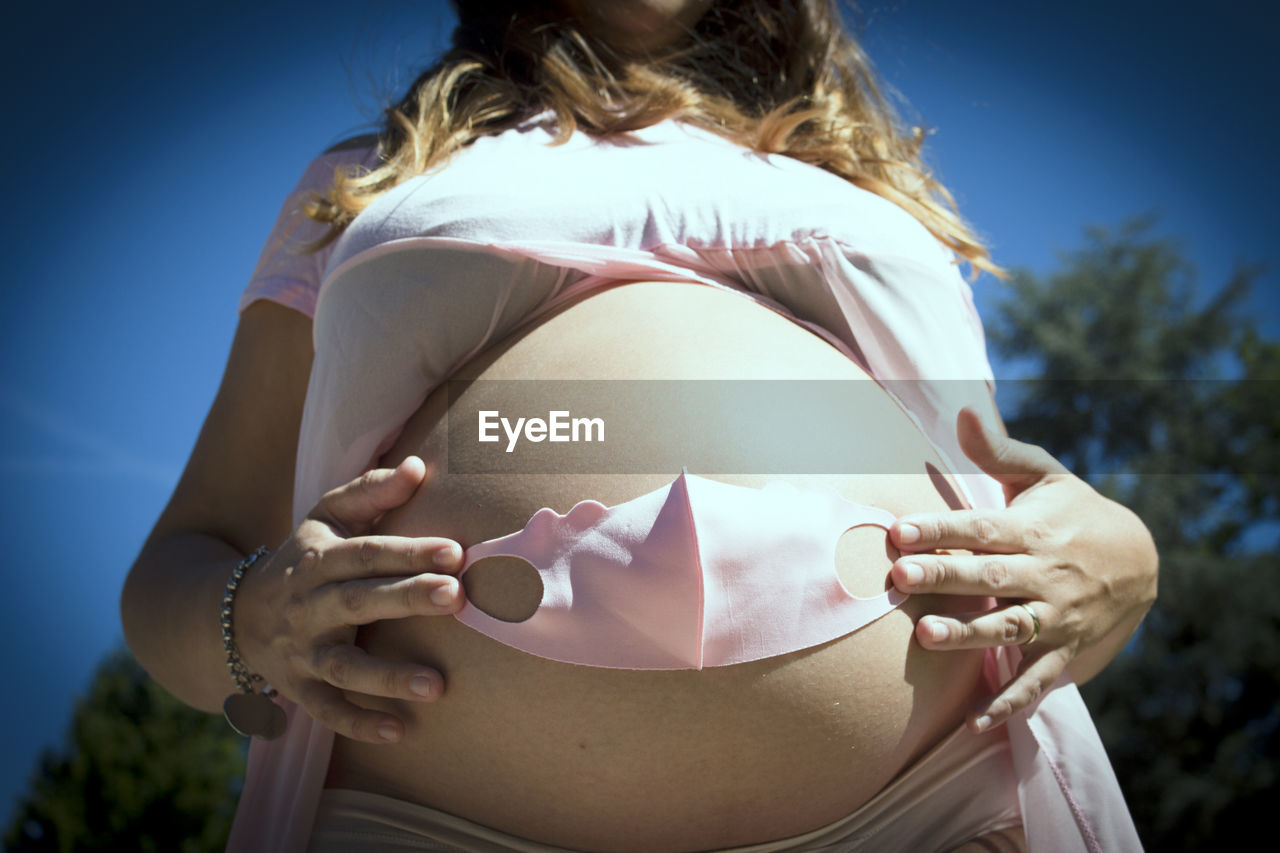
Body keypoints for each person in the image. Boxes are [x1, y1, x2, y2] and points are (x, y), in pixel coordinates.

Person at [120, 1, 1157, 850]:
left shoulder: (875, 191)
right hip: (435, 821)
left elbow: (1005, 495)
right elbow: (177, 566)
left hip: (929, 810)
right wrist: (248, 617)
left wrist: (1126, 556)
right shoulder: (366, 178)